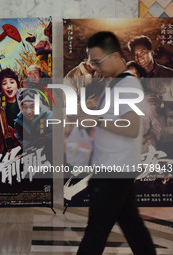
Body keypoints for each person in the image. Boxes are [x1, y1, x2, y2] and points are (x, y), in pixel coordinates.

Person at [76, 31, 156, 255]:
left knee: (96, 233)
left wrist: (96, 120)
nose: (94, 67)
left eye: (97, 61)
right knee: (132, 227)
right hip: (113, 169)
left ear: (113, 57)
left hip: (114, 172)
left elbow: (131, 128)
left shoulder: (127, 86)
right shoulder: (116, 84)